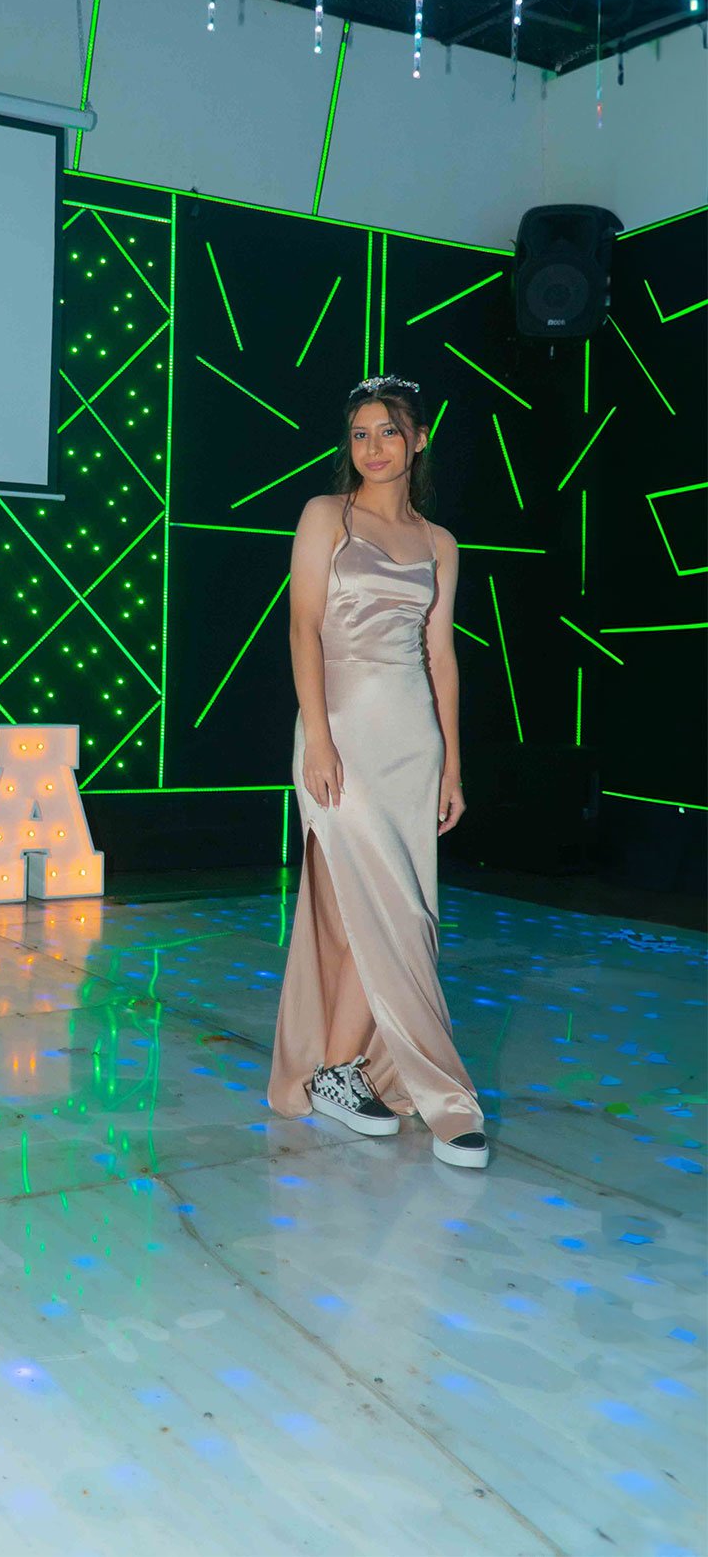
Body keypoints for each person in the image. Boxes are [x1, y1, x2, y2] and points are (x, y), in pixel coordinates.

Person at [266, 375, 488, 1169]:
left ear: (418, 439)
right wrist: (318, 741)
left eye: (388, 431)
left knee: (390, 914)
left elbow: (441, 657)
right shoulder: (326, 515)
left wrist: (451, 765)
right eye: (360, 434)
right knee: (385, 913)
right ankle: (446, 1097)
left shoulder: (440, 543)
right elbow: (303, 628)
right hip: (339, 731)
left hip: (411, 743)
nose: (373, 447)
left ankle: (342, 1070)